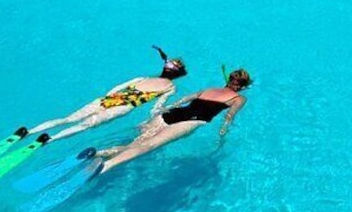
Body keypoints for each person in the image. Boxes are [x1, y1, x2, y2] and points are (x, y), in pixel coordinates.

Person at [97, 68, 252, 174]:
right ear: (243, 86)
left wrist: (166, 108)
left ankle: (101, 153)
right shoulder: (239, 98)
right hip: (190, 121)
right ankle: (106, 166)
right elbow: (229, 116)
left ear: (228, 80)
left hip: (171, 114)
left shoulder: (209, 89)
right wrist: (223, 134)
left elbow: (183, 100)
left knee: (136, 142)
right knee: (149, 145)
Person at [28, 46, 187, 141]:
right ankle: (51, 139)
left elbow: (116, 89)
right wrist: (154, 118)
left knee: (68, 119)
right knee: (85, 125)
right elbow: (157, 107)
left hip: (108, 100)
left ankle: (29, 132)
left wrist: (107, 98)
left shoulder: (142, 78)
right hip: (123, 106)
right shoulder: (170, 87)